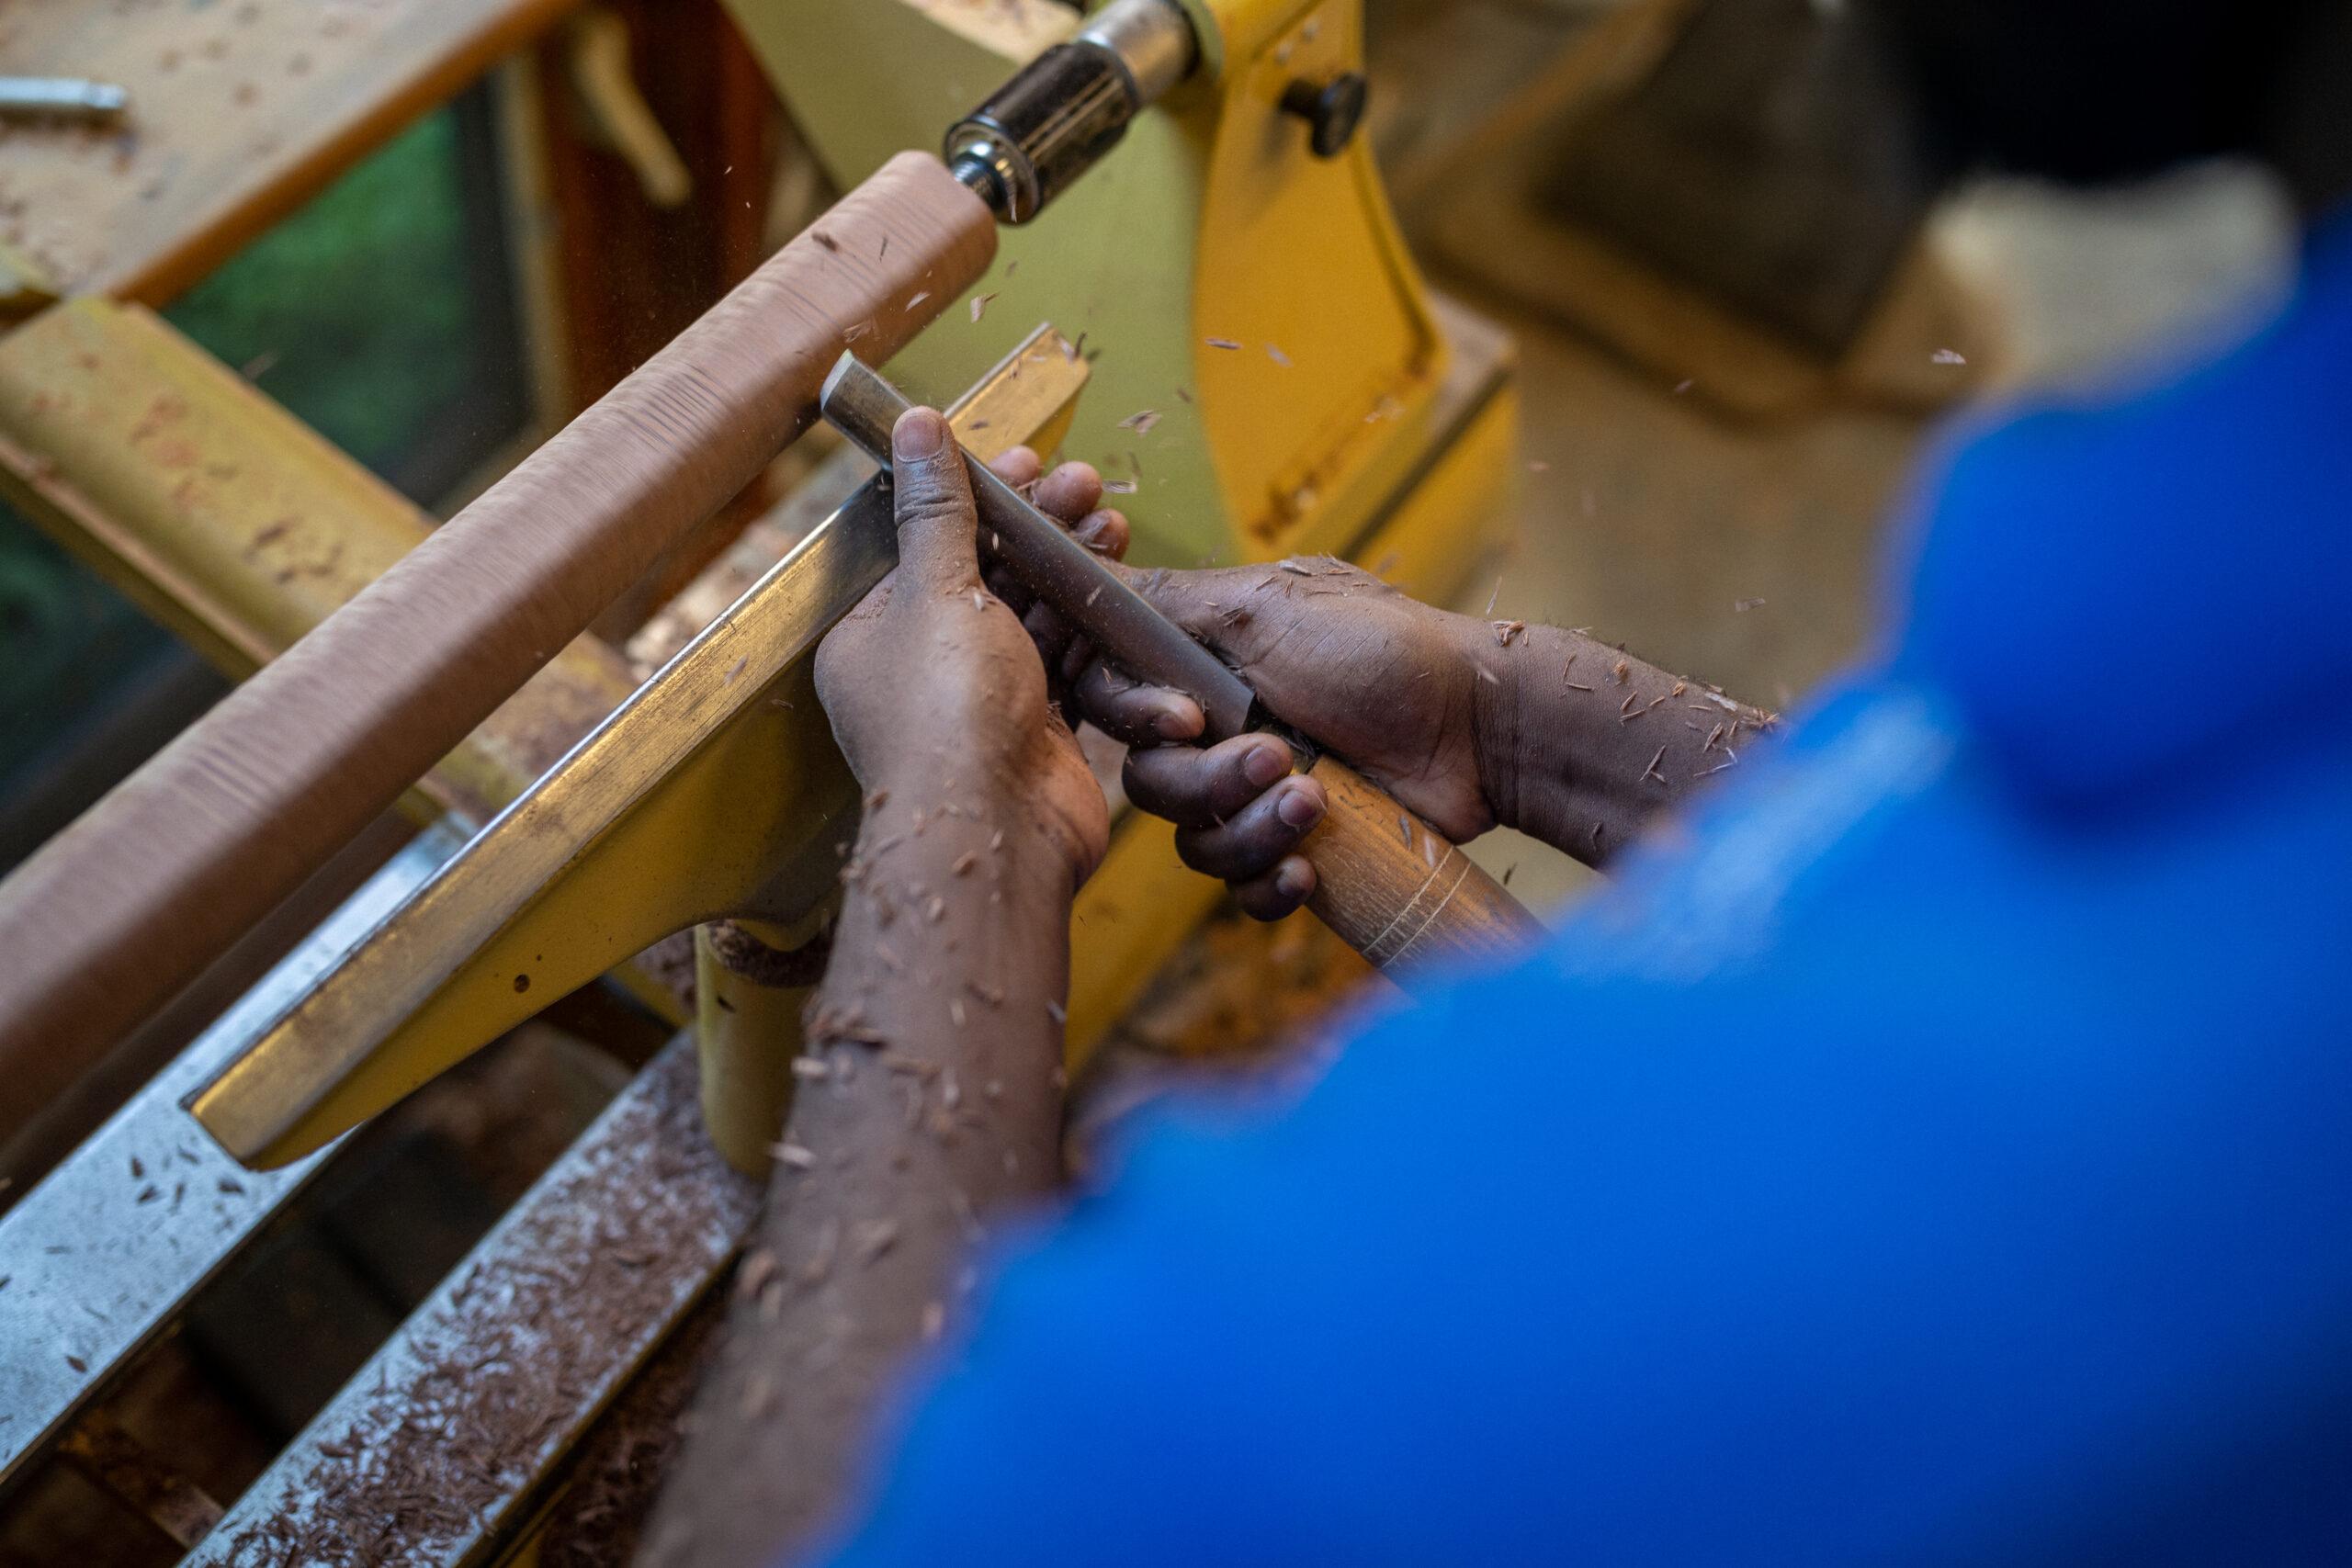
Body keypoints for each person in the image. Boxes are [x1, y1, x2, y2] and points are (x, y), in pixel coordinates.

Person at [639, 0, 2352, 1562]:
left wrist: (963, 841)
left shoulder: (1423, 1348)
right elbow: (1975, 907)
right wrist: (1513, 717)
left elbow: (840, 1527)